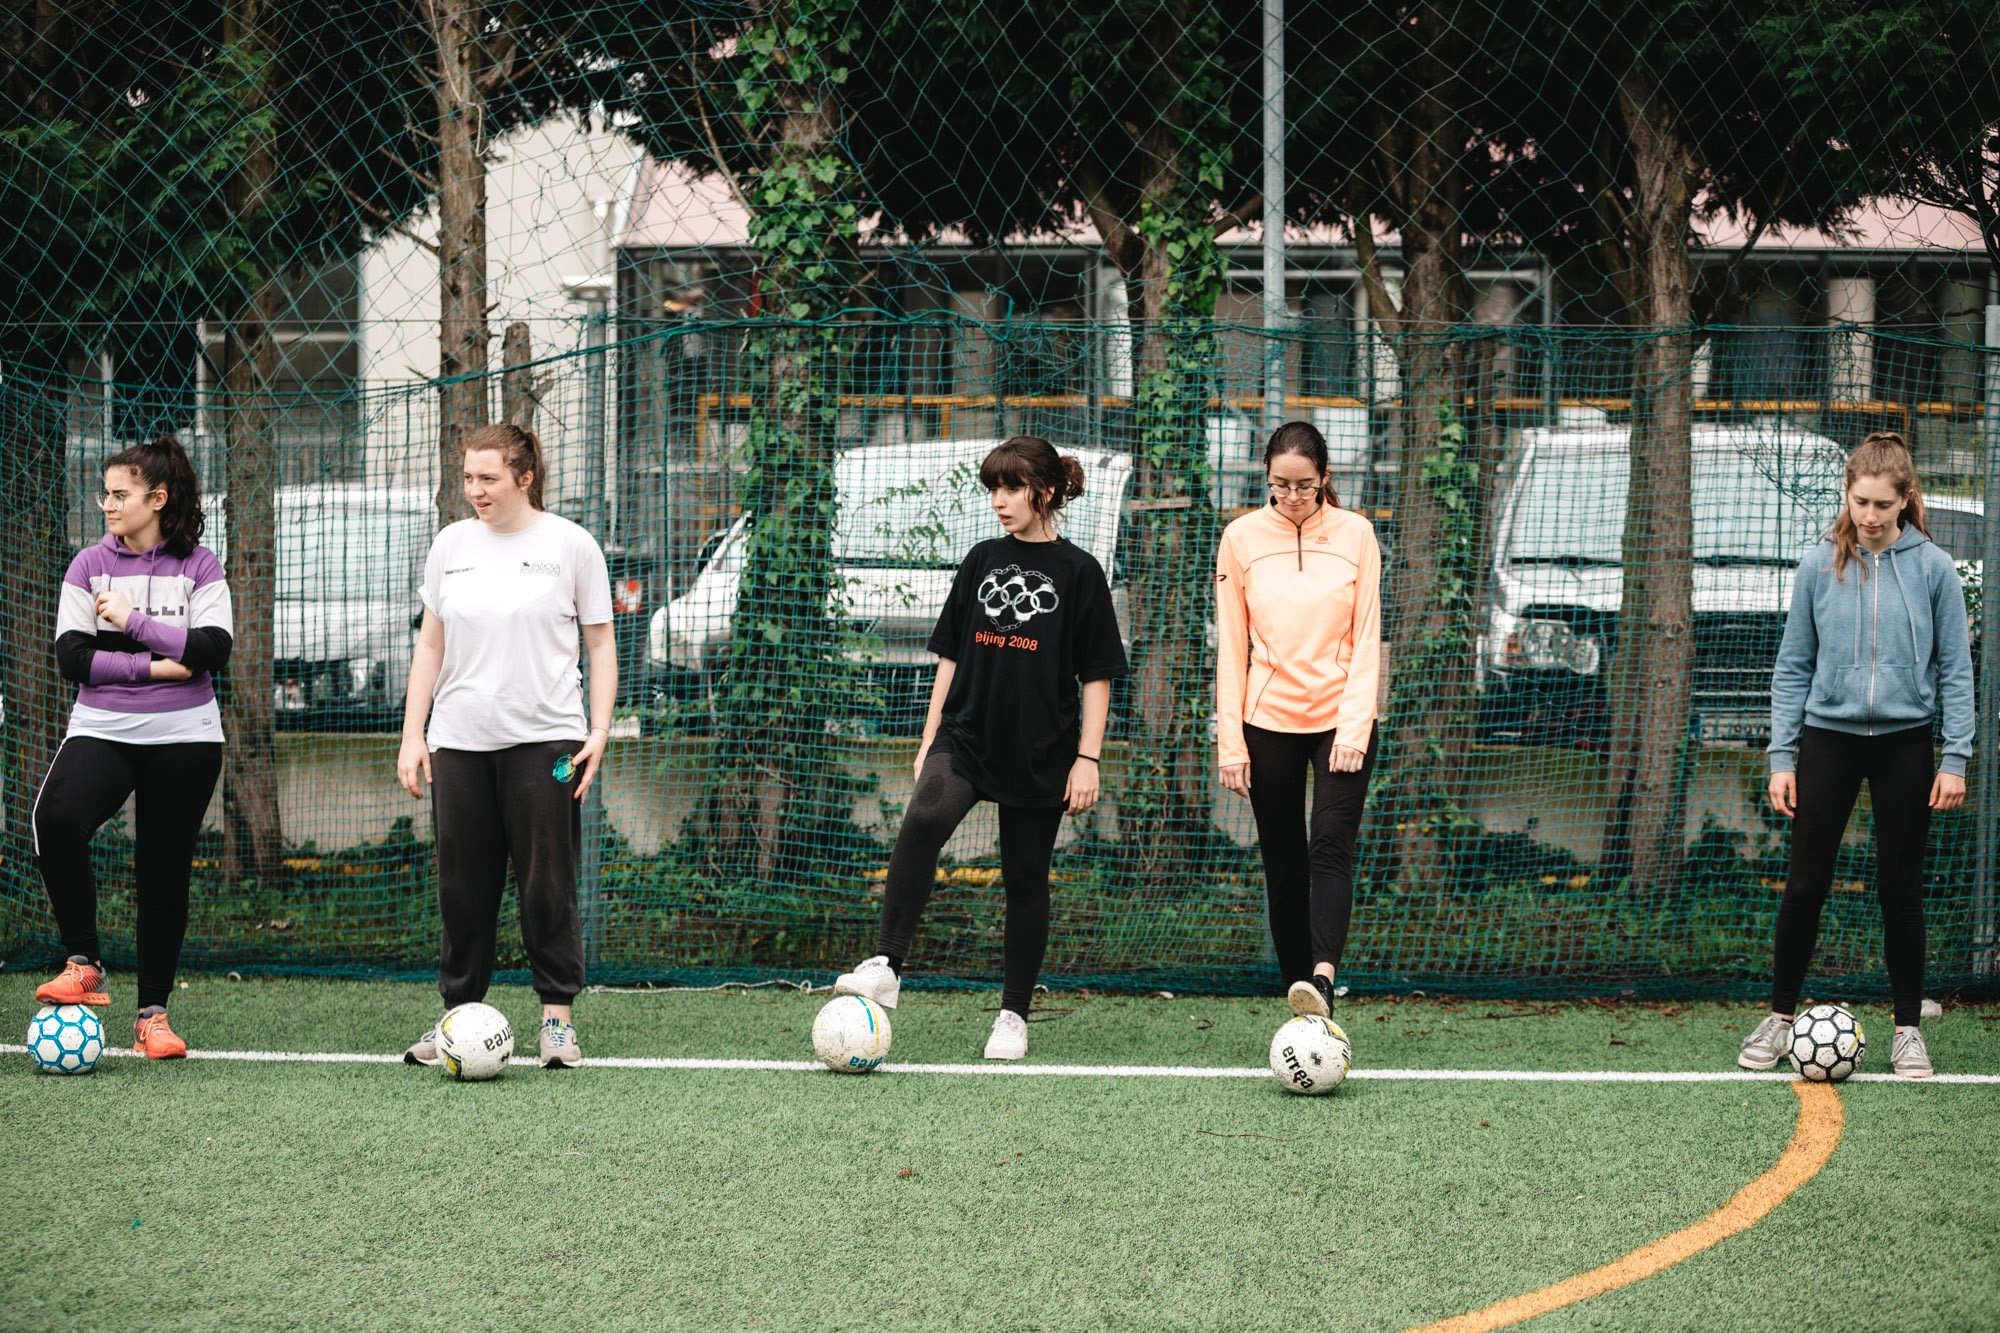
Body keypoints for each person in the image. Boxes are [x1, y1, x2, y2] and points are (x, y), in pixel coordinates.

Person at [833, 437, 1127, 1060]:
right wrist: (929, 737)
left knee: (1025, 879)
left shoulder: (1080, 571)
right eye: (993, 488)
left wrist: (1088, 758)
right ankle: (886, 965)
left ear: (1045, 491)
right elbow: (950, 654)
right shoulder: (981, 558)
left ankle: (1013, 1014)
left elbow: (1097, 676)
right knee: (923, 818)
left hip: (1042, 750)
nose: (999, 500)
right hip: (965, 735)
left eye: (1012, 488)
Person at [1740, 431, 1973, 1079]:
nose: (1869, 516)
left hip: (1905, 743)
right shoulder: (1819, 565)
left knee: (1900, 888)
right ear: (1847, 493)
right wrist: (1780, 757)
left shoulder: (1934, 569)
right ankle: (1779, 1018)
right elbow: (1792, 667)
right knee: (1806, 883)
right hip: (1828, 739)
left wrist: (1955, 757)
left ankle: (1907, 1030)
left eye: (1882, 504)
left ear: (1906, 499)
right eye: (1860, 501)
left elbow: (1957, 670)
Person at [396, 423, 616, 1070]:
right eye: (468, 477)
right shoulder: (450, 544)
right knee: (462, 888)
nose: (476, 490)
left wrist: (599, 731)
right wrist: (413, 734)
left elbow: (601, 643)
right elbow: (430, 645)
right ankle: (457, 1016)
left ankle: (557, 1021)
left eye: (488, 477)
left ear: (525, 477)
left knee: (547, 882)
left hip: (547, 741)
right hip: (459, 741)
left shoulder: (571, 545)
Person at [33, 437, 232, 1058]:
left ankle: (153, 1016)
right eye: (106, 494)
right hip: (103, 726)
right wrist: (154, 664)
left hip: (186, 734)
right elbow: (73, 658)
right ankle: (84, 963)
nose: (108, 505)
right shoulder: (87, 566)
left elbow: (212, 650)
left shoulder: (201, 566)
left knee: (162, 868)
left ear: (158, 499)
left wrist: (132, 622)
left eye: (121, 494)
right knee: (55, 819)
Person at [1215, 420, 1382, 1020]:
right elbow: (1231, 646)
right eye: (1279, 485)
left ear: (1324, 478)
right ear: (1266, 477)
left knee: (1330, 847)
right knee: (1282, 864)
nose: (1291, 496)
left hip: (1340, 720)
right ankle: (1300, 997)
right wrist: (1231, 744)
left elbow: (1368, 637)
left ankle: (1324, 980)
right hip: (1267, 723)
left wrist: (1354, 729)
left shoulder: (1357, 534)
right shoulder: (1239, 538)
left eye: (1304, 486)